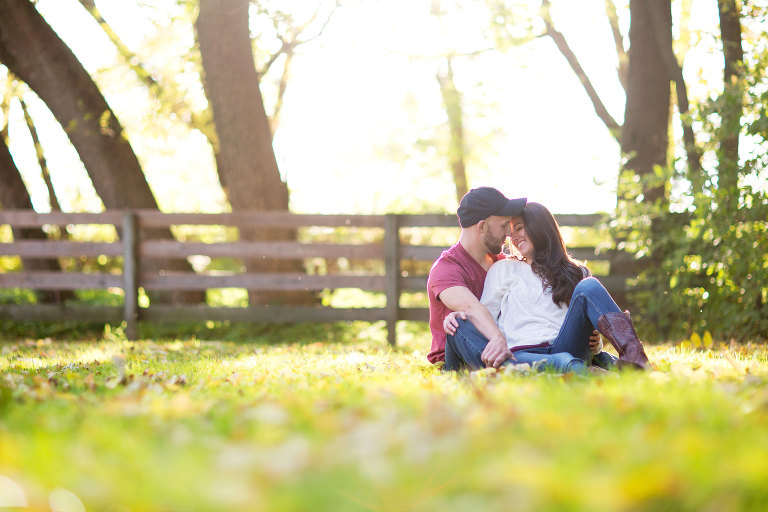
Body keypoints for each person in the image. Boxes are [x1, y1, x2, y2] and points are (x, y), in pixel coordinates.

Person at [443, 201, 651, 373]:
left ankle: (637, 363)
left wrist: (595, 345)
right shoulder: (504, 269)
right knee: (562, 362)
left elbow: (588, 334)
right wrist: (463, 318)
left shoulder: (577, 273)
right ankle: (579, 370)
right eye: (510, 231)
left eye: (519, 228)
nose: (513, 237)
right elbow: (487, 318)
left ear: (540, 227)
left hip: (566, 345)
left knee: (590, 286)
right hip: (522, 354)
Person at [426, 186, 605, 371]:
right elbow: (472, 308)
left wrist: (586, 335)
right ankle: (521, 369)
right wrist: (497, 337)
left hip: (505, 352)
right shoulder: (446, 268)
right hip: (467, 353)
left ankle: (526, 369)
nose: (509, 234)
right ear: (482, 226)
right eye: (504, 226)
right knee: (460, 323)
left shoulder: (504, 264)